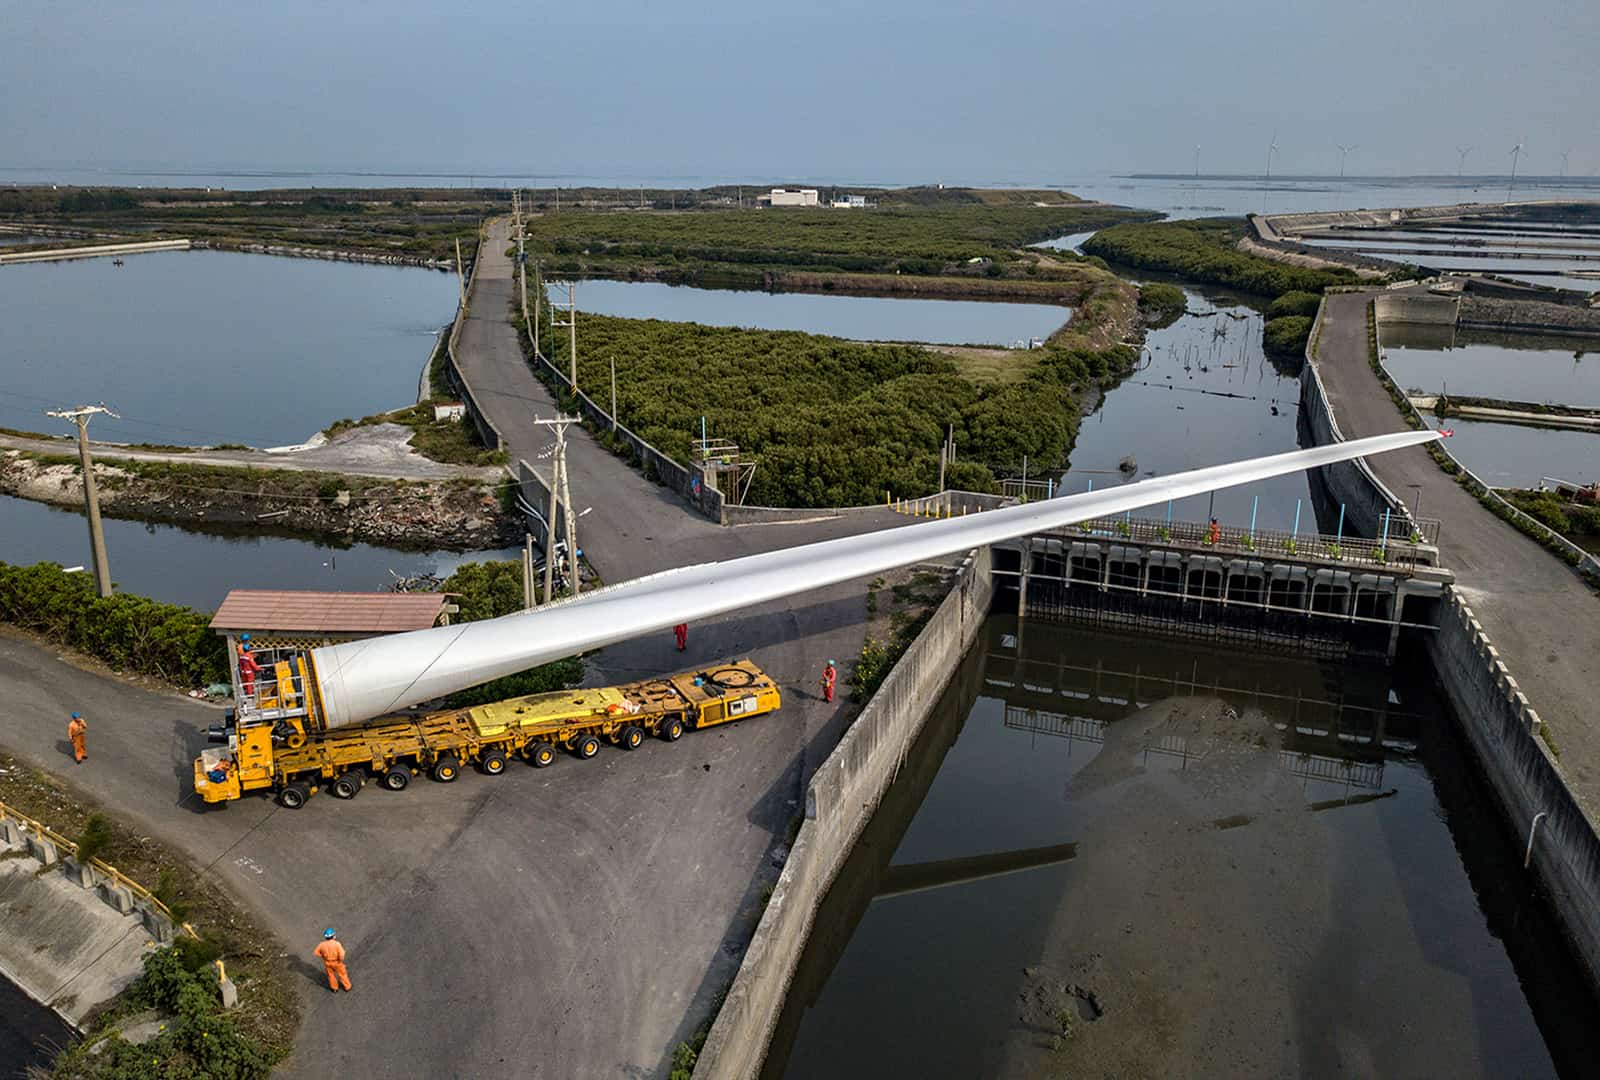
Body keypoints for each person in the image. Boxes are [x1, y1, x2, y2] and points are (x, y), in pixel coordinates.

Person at [314, 928, 351, 993]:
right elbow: (342, 954)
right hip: (337, 962)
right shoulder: (337, 944)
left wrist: (323, 956)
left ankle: (334, 988)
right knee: (342, 974)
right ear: (333, 936)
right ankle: (347, 987)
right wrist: (340, 960)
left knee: (331, 975)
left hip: (327, 962)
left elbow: (316, 952)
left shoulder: (322, 944)